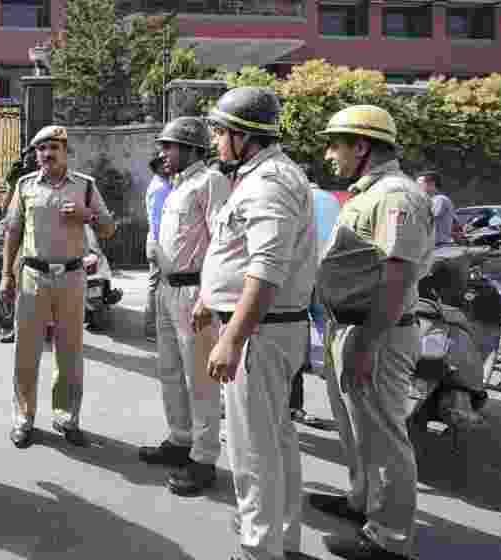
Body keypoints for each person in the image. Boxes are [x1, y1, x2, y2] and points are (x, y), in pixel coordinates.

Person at [197, 86, 317, 560]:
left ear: (243, 137)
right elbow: (241, 255)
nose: (214, 141)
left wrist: (231, 338)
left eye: (220, 132)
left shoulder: (268, 182)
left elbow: (266, 269)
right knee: (275, 442)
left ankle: (257, 548)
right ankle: (278, 540)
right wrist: (212, 298)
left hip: (260, 334)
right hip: (268, 328)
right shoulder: (264, 175)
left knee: (251, 450)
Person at [313, 105, 434, 560]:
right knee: (356, 429)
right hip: (352, 328)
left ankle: (389, 539)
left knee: (383, 436)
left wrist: (368, 340)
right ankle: (361, 501)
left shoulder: (397, 196)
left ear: (361, 146)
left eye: (336, 144)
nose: (329, 154)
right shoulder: (372, 192)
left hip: (376, 333)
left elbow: (397, 275)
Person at [1, 125, 116, 449]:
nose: (47, 154)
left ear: (66, 152)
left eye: (54, 148)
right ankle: (24, 417)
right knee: (26, 351)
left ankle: (66, 416)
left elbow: (108, 229)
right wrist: (6, 276)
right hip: (33, 276)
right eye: (41, 149)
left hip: (71, 277)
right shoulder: (25, 186)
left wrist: (87, 215)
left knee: (70, 351)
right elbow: (12, 232)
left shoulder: (86, 187)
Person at [136, 117, 230, 497]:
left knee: (200, 380)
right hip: (168, 288)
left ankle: (204, 456)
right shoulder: (177, 186)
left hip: (195, 292)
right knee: (171, 370)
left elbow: (223, 242)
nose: (163, 153)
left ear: (192, 148)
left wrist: (209, 296)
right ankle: (180, 438)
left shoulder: (211, 182)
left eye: (170, 146)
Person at [289, 170, 342, 429]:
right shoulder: (332, 199)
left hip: (301, 271)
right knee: (324, 323)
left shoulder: (298, 197)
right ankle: (330, 368)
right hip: (327, 270)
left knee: (299, 325)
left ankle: (304, 364)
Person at [0, 147, 37, 344]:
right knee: (17, 283)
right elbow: (8, 198)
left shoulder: (48, 177)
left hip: (38, 240)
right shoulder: (19, 177)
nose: (31, 161)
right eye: (27, 158)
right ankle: (18, 329)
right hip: (20, 236)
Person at [144, 154, 173, 343]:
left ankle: (154, 328)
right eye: (165, 163)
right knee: (155, 287)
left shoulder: (163, 184)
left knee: (158, 285)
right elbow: (156, 220)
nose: (169, 165)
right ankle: (151, 330)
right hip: (158, 243)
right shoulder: (160, 188)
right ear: (160, 167)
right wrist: (160, 246)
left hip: (156, 242)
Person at [417, 170, 455, 245]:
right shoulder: (430, 200)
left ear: (431, 183)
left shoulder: (440, 199)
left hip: (440, 246)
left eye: (419, 184)